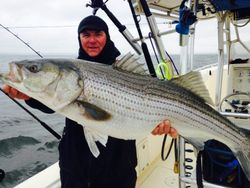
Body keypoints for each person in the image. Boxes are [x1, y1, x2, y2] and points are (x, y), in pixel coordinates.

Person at [3, 15, 177, 188]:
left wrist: (157, 124)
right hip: (74, 168)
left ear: (106, 37)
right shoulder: (72, 70)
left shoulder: (123, 70)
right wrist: (29, 96)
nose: (92, 40)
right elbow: (52, 103)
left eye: (98, 34)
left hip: (118, 168)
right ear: (79, 38)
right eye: (86, 35)